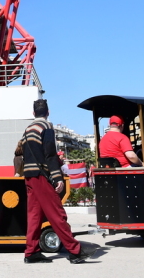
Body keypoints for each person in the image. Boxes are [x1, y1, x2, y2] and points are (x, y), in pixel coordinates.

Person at [22, 99, 96, 264]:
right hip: (42, 175)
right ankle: (75, 251)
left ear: (33, 113)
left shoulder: (28, 129)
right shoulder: (46, 127)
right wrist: (57, 177)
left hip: (29, 175)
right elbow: (50, 154)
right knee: (57, 213)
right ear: (48, 113)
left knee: (34, 215)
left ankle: (31, 251)